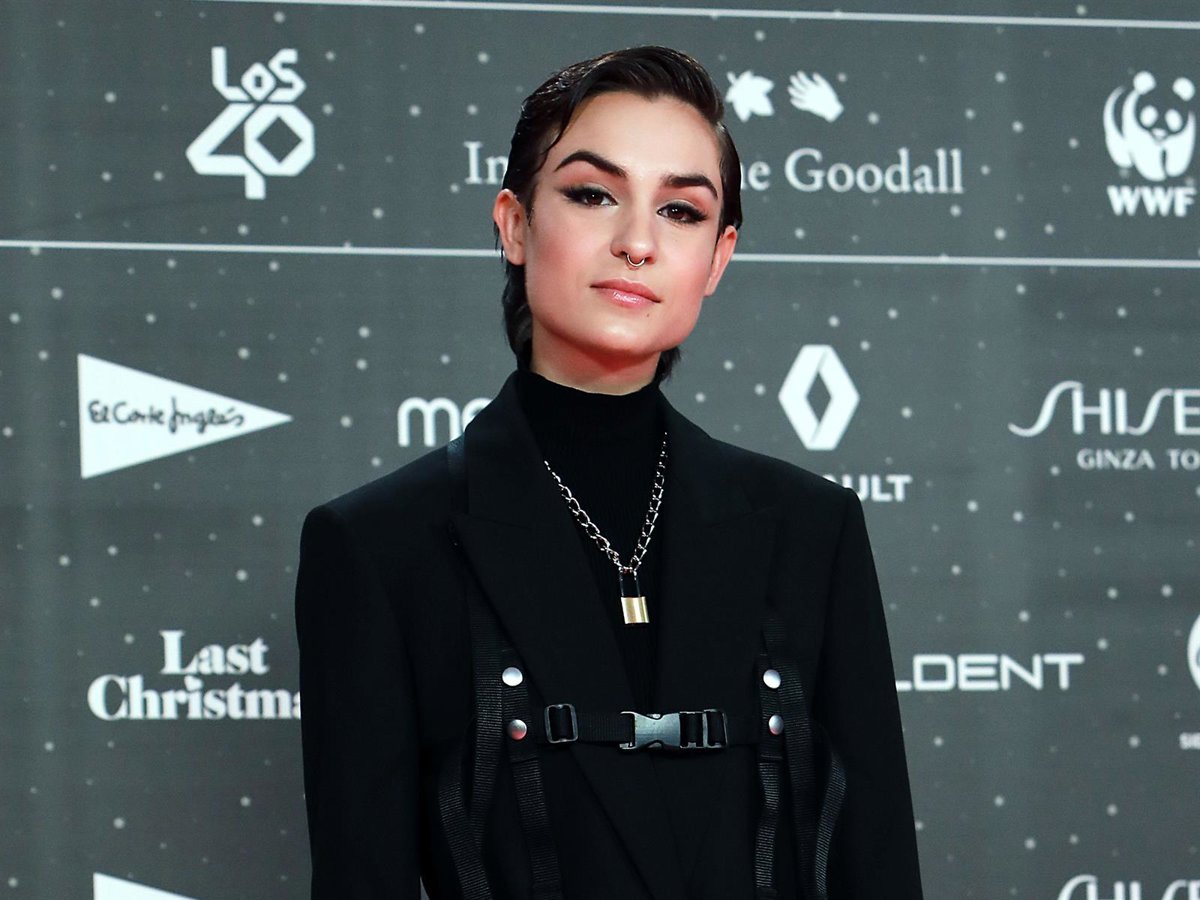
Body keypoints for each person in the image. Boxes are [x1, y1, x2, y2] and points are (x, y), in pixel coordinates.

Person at [295, 46, 923, 900]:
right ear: (516, 225)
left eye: (680, 210)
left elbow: (875, 867)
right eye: (593, 195)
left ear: (719, 257)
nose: (636, 243)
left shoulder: (814, 531)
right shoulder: (378, 546)